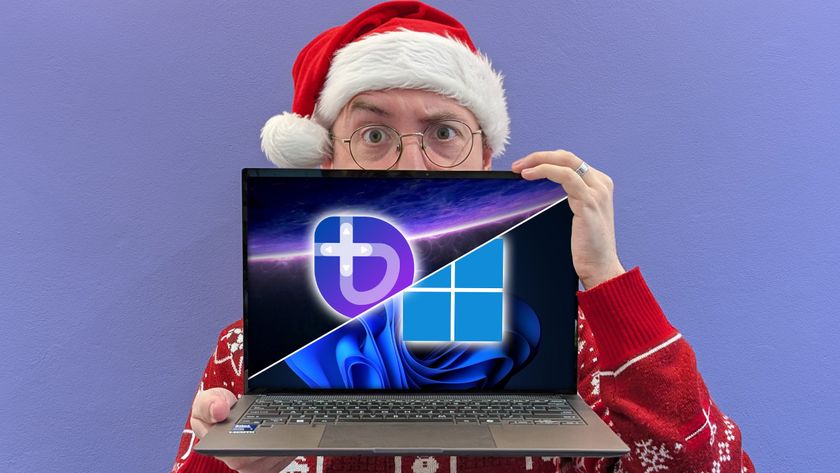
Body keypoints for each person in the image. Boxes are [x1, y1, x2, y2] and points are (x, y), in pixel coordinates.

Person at [171, 2, 754, 472]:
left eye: (444, 131)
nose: (411, 165)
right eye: (373, 134)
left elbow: (710, 466)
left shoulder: (586, 348)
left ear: (486, 155)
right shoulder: (251, 355)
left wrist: (606, 276)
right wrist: (229, 466)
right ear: (328, 160)